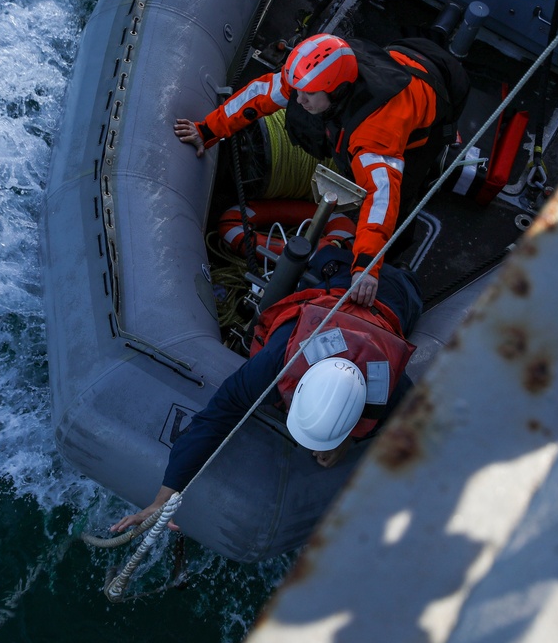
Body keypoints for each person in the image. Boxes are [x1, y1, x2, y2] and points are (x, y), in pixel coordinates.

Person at [110, 246, 423, 533]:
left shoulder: (391, 392)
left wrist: (346, 439)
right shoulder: (277, 363)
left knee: (408, 290)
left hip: (398, 297)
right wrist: (165, 495)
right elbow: (217, 416)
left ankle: (402, 268)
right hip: (344, 279)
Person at [174, 32, 468, 307]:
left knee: (402, 200)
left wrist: (366, 265)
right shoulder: (312, 80)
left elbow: (382, 198)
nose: (298, 99)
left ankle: (393, 259)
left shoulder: (376, 132)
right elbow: (261, 94)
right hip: (403, 55)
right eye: (297, 91)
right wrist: (207, 130)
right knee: (308, 121)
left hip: (436, 89)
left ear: (337, 91)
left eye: (308, 95)